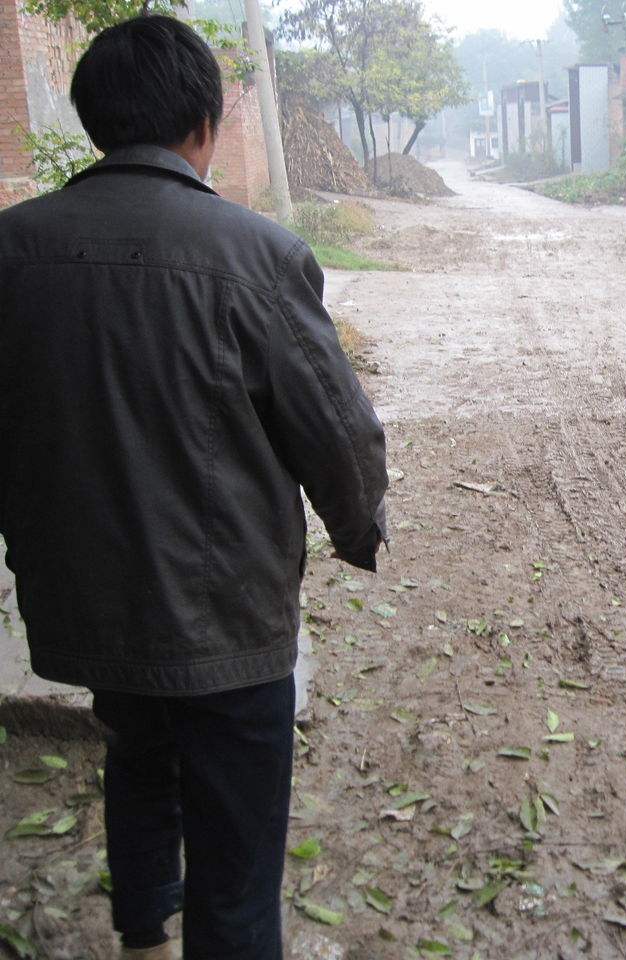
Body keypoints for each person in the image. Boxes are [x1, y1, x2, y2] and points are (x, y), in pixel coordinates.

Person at [0, 15, 388, 960]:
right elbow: (336, 431)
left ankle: (144, 935)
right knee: (239, 851)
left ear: (96, 121)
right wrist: (356, 524)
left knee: (137, 748)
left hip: (89, 601)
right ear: (205, 127)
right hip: (226, 616)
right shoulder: (255, 256)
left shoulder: (12, 251)